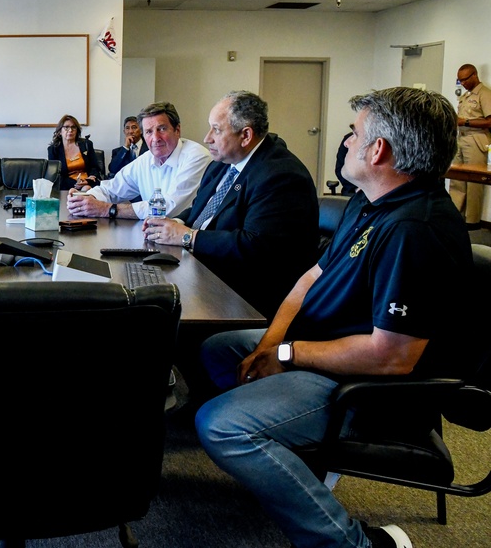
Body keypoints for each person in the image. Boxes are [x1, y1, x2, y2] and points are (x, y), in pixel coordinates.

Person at [195, 86, 473, 548]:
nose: (346, 143)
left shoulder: (415, 229)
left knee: (221, 425)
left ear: (378, 150)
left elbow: (391, 358)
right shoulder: (369, 201)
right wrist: (271, 345)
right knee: (218, 351)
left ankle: (354, 544)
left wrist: (288, 353)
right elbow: (309, 279)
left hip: (371, 390)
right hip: (322, 350)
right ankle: (288, 475)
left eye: (353, 133)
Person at [143, 91, 319, 320]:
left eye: (216, 129)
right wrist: (174, 224)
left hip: (244, 297)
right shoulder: (222, 163)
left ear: (245, 135)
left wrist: (187, 237)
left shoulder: (280, 175)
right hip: (205, 272)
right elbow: (199, 212)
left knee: (153, 316)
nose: (207, 138)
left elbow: (255, 247)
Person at [67, 101, 211, 220]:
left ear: (177, 130)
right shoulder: (145, 160)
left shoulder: (197, 157)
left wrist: (108, 209)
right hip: (154, 237)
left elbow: (167, 208)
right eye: (148, 132)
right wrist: (85, 199)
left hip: (187, 242)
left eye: (161, 129)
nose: (155, 138)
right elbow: (111, 189)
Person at [450, 63, 491, 227]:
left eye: (466, 79)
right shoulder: (466, 96)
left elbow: (489, 121)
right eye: (460, 81)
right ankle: (455, 215)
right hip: (461, 139)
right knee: (456, 179)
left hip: (476, 139)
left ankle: (472, 221)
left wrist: (465, 121)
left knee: (474, 183)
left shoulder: (485, 94)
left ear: (475, 75)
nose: (463, 83)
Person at [46, 115, 102, 191]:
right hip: (67, 185)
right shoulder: (53, 149)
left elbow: (94, 167)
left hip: (88, 181)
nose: (70, 130)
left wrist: (87, 181)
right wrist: (77, 183)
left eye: (73, 127)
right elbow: (56, 175)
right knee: (84, 189)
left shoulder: (86, 145)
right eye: (66, 127)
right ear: (60, 131)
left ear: (77, 130)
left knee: (87, 188)